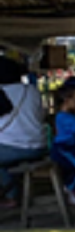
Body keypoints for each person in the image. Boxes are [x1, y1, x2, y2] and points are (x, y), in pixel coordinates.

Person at [0, 58, 46, 210]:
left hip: (11, 148)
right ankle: (11, 193)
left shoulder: (2, 92)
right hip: (39, 146)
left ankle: (10, 195)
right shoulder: (32, 90)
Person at [52, 81, 75, 206]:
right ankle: (70, 188)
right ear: (66, 100)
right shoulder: (63, 117)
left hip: (72, 147)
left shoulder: (71, 116)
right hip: (63, 148)